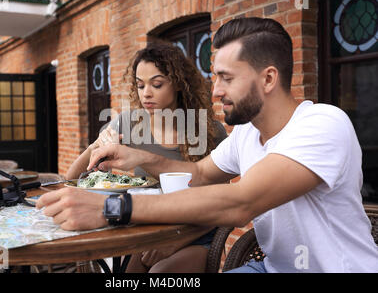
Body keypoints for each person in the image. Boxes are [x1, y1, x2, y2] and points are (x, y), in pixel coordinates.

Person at [37, 18, 378, 273]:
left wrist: (112, 208)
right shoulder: (246, 134)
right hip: (270, 267)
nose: (215, 91)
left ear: (269, 78)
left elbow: (241, 202)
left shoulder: (323, 124)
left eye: (227, 78)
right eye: (215, 77)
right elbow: (199, 172)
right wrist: (138, 156)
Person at [65, 41, 227, 273]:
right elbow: (71, 179)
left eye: (157, 84)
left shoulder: (210, 131)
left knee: (159, 273)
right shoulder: (129, 123)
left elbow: (224, 203)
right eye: (140, 86)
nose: (146, 94)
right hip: (148, 232)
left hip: (195, 234)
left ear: (179, 84)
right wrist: (95, 146)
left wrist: (174, 243)